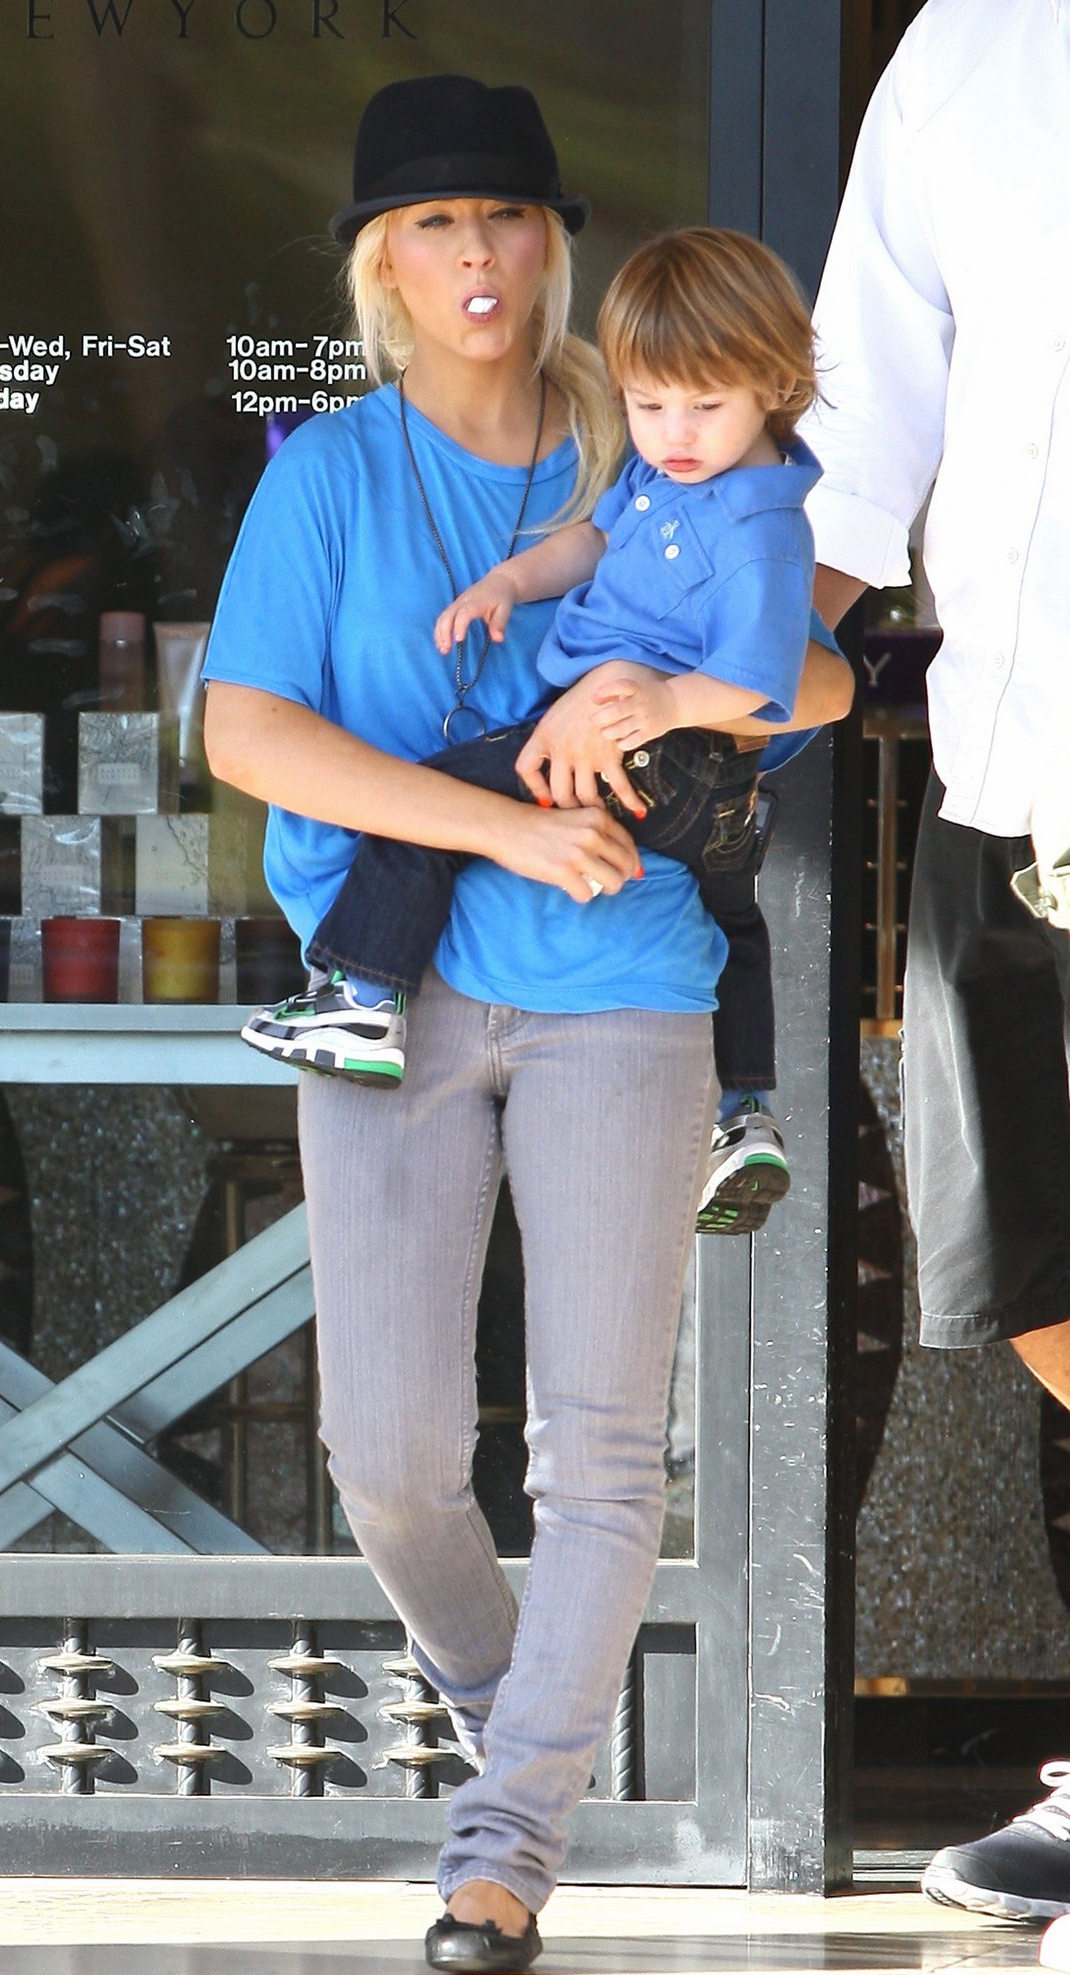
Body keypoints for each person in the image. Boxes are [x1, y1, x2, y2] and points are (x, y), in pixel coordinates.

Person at [203, 73, 852, 1974]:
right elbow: (246, 731)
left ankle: (503, 1852)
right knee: (392, 1461)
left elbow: (815, 674)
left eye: (504, 216)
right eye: (432, 223)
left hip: (623, 988)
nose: (475, 252)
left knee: (598, 1454)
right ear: (379, 268)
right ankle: (532, 1733)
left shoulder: (655, 430)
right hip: (389, 1000)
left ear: (554, 246)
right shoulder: (330, 473)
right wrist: (499, 821)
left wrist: (665, 694)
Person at [239, 225, 822, 1236]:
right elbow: (594, 537)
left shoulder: (744, 514)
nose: (672, 430)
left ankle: (361, 995)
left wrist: (651, 698)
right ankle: (744, 1110)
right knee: (735, 916)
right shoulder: (666, 469)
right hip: (655, 792)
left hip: (647, 785)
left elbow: (795, 680)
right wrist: (511, 581)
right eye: (649, 404)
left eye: (700, 405)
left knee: (432, 799)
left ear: (771, 386)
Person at [796, 0, 1070, 1925]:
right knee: (1033, 1273)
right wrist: (722, 673)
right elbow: (861, 412)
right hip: (1007, 767)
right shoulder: (970, 43)